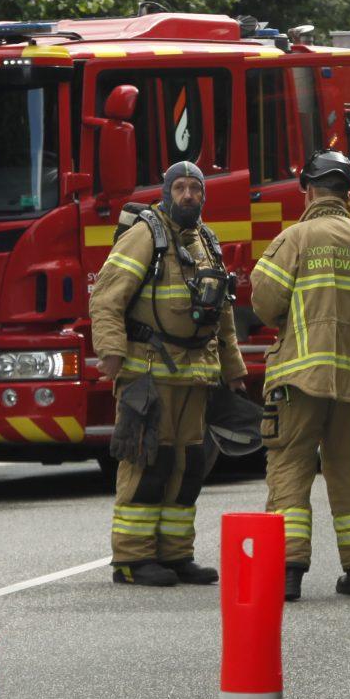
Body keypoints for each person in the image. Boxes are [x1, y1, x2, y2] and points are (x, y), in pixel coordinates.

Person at [252, 151, 350, 600]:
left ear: (308, 189)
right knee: (346, 470)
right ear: (348, 192)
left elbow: (264, 302)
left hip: (301, 378)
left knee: (290, 466)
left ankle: (287, 571)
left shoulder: (295, 238)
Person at [91, 160, 245, 587]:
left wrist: (233, 370)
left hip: (195, 375)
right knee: (147, 462)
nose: (188, 196)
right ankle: (133, 560)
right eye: (179, 188)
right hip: (148, 375)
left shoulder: (206, 241)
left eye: (195, 189)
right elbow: (106, 298)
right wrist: (111, 353)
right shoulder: (146, 236)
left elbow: (223, 313)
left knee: (188, 464)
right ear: (165, 193)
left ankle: (176, 554)